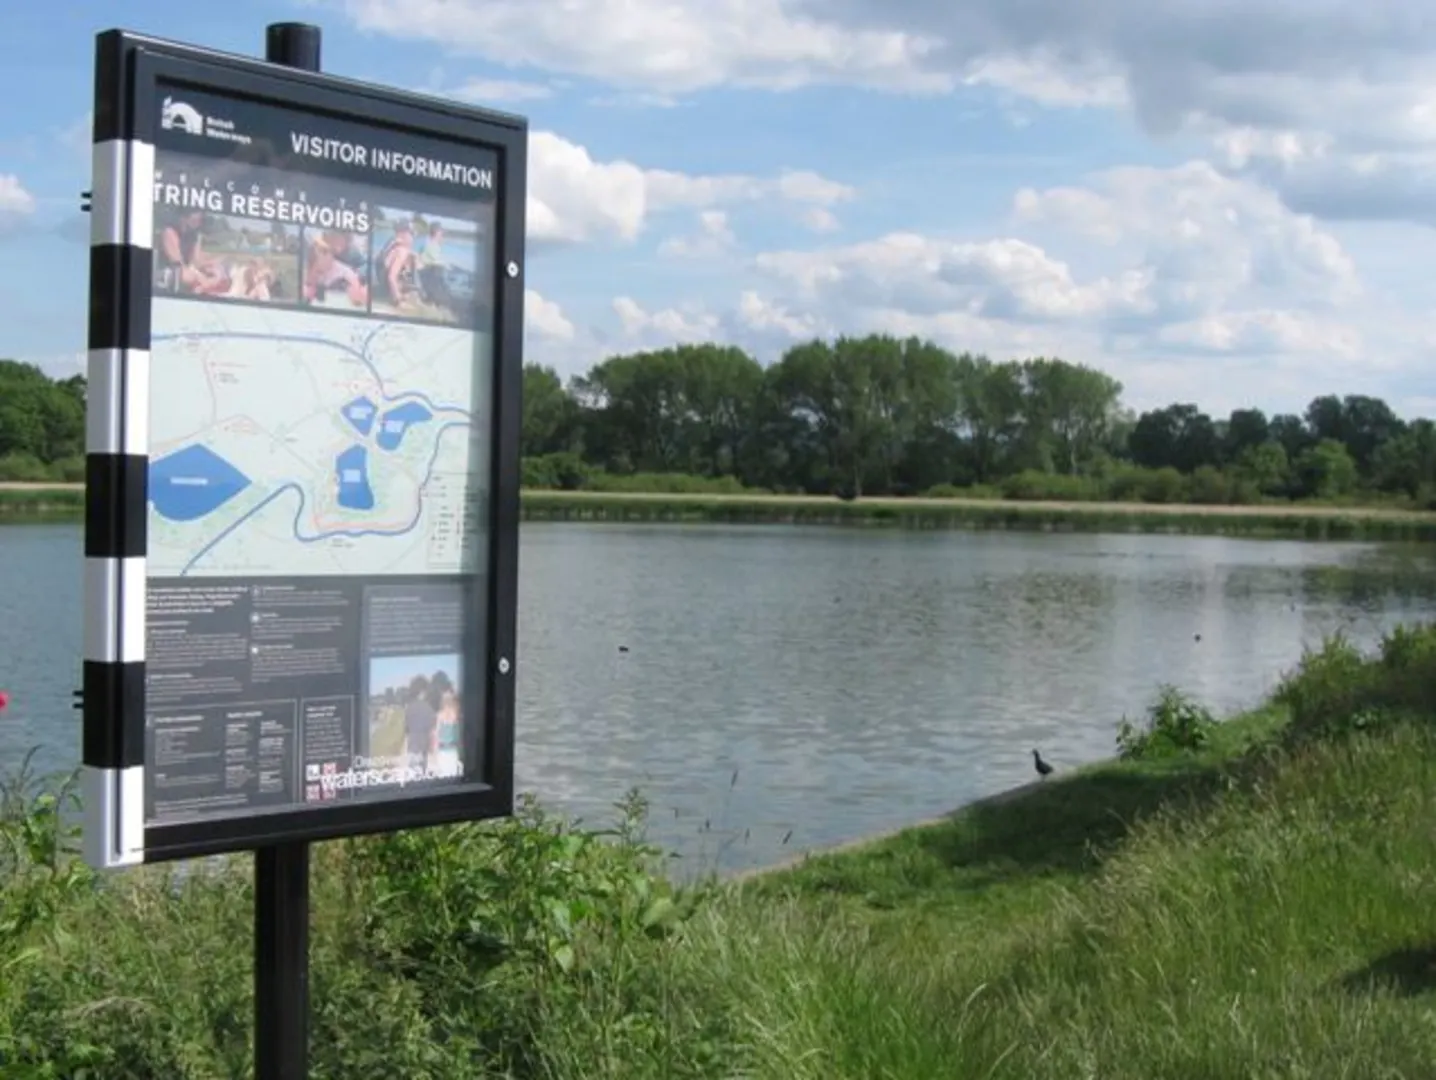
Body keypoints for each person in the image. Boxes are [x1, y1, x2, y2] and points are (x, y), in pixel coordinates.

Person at [157, 211, 229, 295]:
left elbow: (196, 261)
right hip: (171, 272)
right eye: (196, 219)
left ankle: (205, 287)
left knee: (218, 271)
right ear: (184, 217)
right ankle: (206, 286)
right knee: (188, 276)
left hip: (186, 270)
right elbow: (177, 264)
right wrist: (200, 276)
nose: (198, 222)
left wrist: (213, 265)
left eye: (200, 220)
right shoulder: (169, 231)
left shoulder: (194, 235)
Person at [303, 233, 368, 306]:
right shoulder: (310, 268)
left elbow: (360, 297)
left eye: (327, 253)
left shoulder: (345, 272)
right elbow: (307, 285)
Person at [402, 675, 437, 770]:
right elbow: (432, 730)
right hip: (423, 747)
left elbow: (406, 730)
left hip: (412, 747)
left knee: (412, 776)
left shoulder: (409, 708)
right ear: (423, 691)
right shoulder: (429, 709)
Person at [432, 688, 462, 776]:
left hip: (442, 749)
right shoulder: (455, 715)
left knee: (443, 774)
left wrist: (435, 749)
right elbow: (457, 733)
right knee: (453, 773)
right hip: (453, 748)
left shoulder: (439, 715)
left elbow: (436, 733)